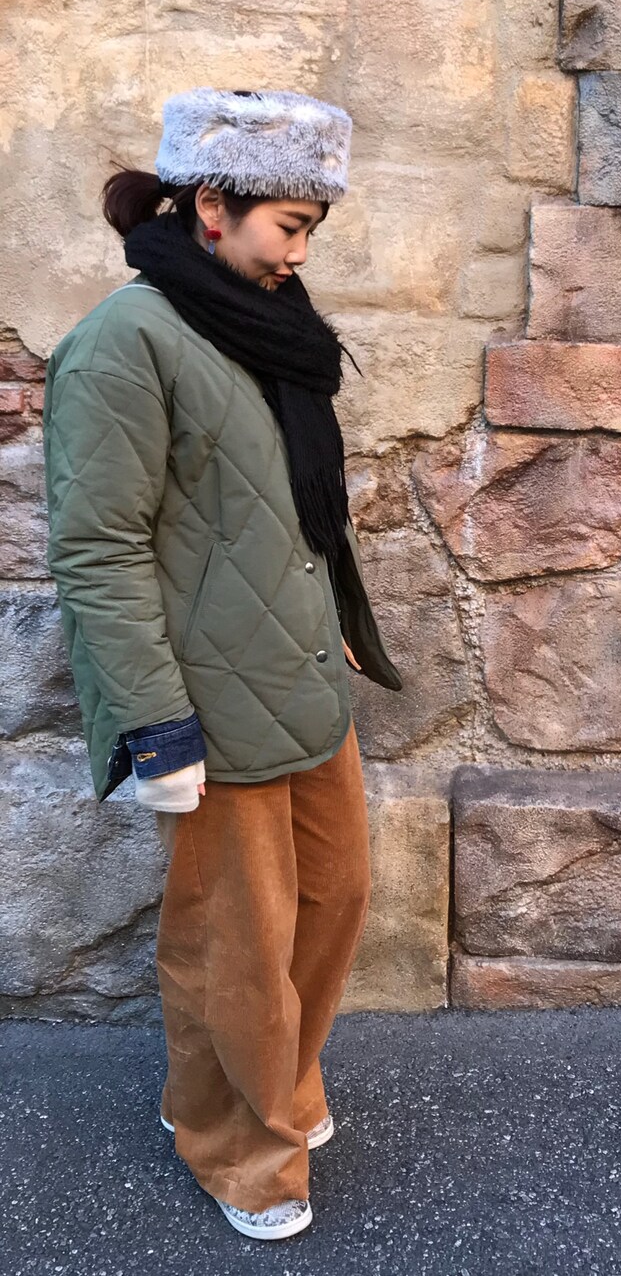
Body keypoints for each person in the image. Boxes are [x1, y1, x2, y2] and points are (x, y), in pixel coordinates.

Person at [41, 87, 403, 1241]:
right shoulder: (124, 344)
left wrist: (331, 616)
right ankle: (245, 1150)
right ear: (212, 206)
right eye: (290, 225)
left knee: (334, 896)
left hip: (299, 673)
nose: (301, 252)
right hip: (202, 699)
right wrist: (154, 722)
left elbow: (287, 505)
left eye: (311, 228)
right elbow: (97, 547)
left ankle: (253, 1084)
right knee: (234, 944)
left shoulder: (263, 321)